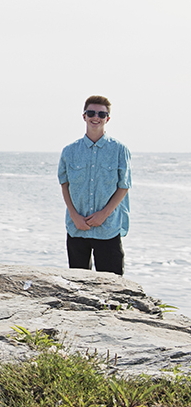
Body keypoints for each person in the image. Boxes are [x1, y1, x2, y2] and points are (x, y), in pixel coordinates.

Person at [57, 95, 131, 275]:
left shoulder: (120, 150)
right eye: (91, 112)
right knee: (78, 287)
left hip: (108, 228)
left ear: (108, 118)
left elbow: (124, 186)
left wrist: (103, 215)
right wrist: (74, 216)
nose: (96, 117)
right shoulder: (69, 151)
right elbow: (64, 184)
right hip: (77, 228)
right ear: (84, 116)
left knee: (113, 290)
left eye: (101, 114)